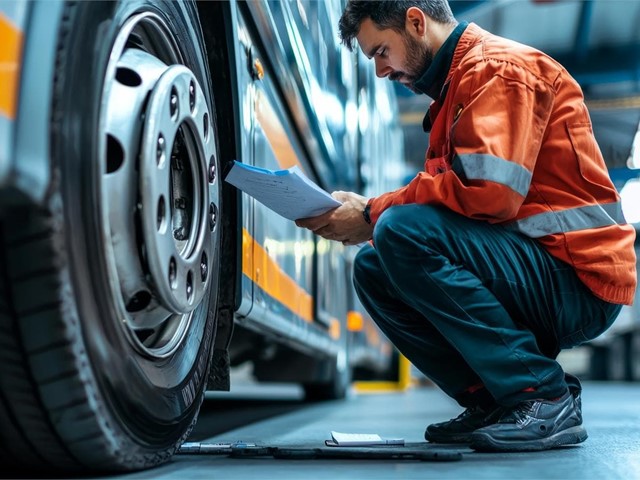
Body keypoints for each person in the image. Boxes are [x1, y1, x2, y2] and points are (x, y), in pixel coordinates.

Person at [295, 0, 637, 452]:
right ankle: (492, 399)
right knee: (374, 266)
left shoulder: (497, 70)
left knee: (398, 230)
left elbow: (489, 193)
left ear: (416, 22)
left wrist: (369, 212)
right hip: (538, 264)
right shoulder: (455, 92)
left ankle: (540, 395)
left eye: (381, 52)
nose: (381, 71)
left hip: (577, 277)